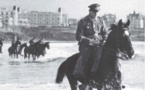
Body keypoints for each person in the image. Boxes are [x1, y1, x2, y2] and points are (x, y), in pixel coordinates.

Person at [73, 3, 108, 85]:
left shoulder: (101, 20)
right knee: (87, 59)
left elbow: (105, 33)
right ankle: (88, 80)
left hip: (99, 44)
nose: (97, 13)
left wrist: (103, 40)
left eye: (98, 11)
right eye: (95, 11)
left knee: (110, 55)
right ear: (90, 11)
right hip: (86, 46)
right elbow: (78, 36)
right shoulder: (83, 21)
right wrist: (89, 41)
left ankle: (113, 78)